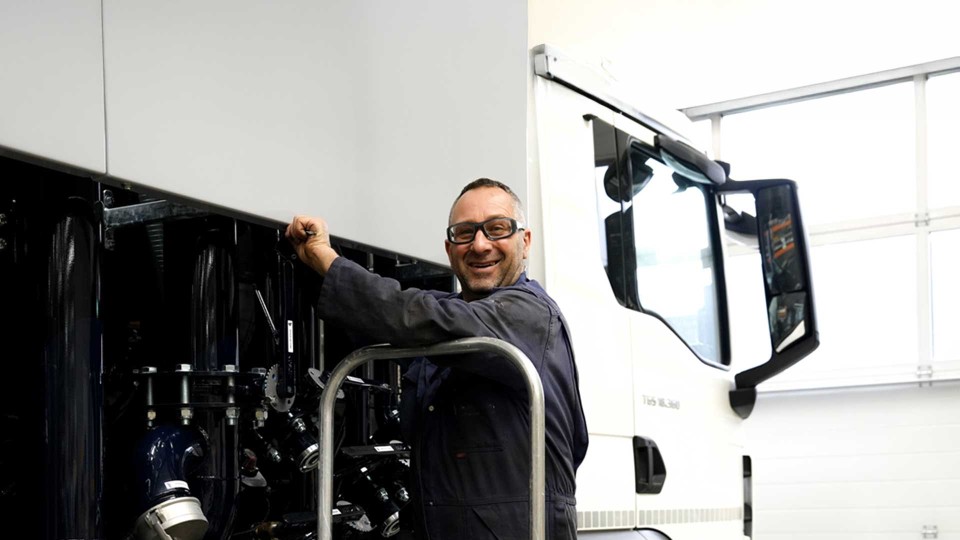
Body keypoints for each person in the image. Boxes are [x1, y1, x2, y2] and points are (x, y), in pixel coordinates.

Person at [286, 178, 588, 539]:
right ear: (449, 248)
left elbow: (414, 315)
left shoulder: (531, 315)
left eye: (497, 229)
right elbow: (383, 319)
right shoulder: (447, 320)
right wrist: (309, 263)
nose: (480, 245)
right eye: (465, 233)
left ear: (525, 241)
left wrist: (330, 261)